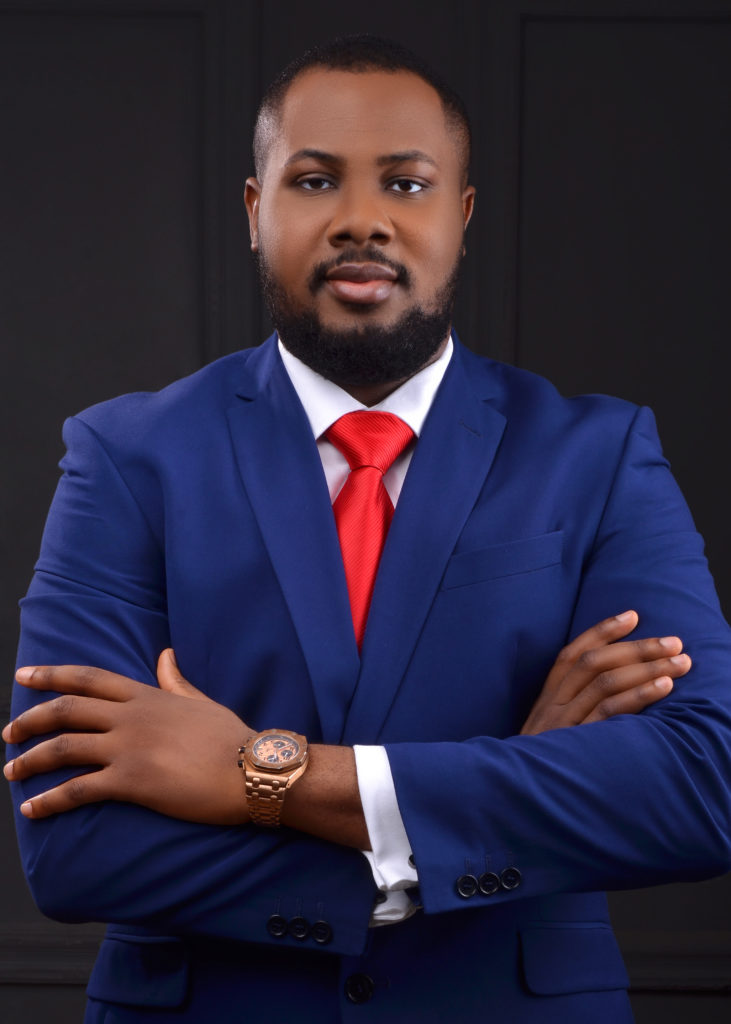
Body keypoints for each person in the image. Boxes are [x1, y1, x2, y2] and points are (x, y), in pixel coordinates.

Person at [4, 35, 731, 1024]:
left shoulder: (596, 455)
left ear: (459, 216)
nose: (360, 219)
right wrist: (489, 811)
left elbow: (698, 787)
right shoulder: (127, 457)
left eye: (405, 182)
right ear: (254, 210)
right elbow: (74, 847)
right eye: (313, 180)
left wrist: (258, 775)